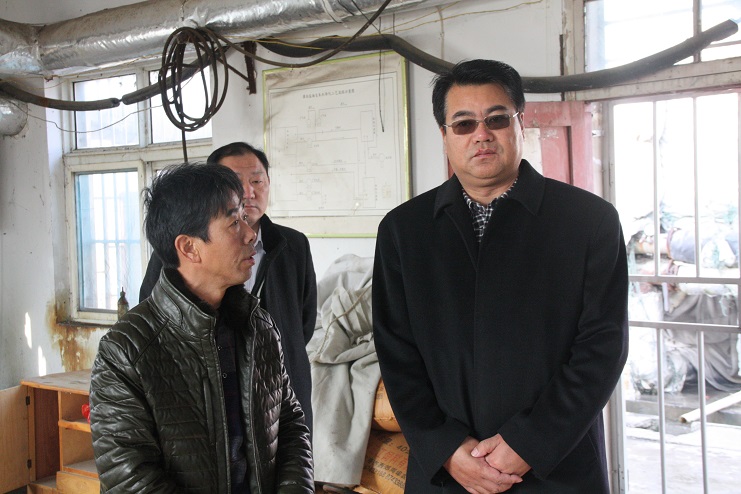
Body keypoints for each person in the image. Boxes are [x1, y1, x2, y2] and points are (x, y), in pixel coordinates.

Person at [372, 59, 629, 493]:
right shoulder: (405, 230)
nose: (482, 134)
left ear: (520, 123)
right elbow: (397, 352)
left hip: (556, 467)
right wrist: (446, 447)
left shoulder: (588, 221)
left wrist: (529, 443)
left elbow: (603, 346)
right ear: (444, 136)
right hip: (449, 474)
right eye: (464, 124)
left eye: (496, 119)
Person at [90, 162, 313, 493]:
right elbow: (131, 478)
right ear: (189, 247)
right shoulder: (126, 351)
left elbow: (291, 426)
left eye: (245, 218)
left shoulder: (258, 326)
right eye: (233, 222)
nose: (250, 233)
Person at [139, 142, 318, 433]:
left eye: (257, 181)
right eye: (236, 183)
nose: (249, 192)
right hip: (208, 401)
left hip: (281, 396)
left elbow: (304, 323)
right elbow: (153, 316)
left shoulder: (293, 245)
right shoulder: (178, 252)